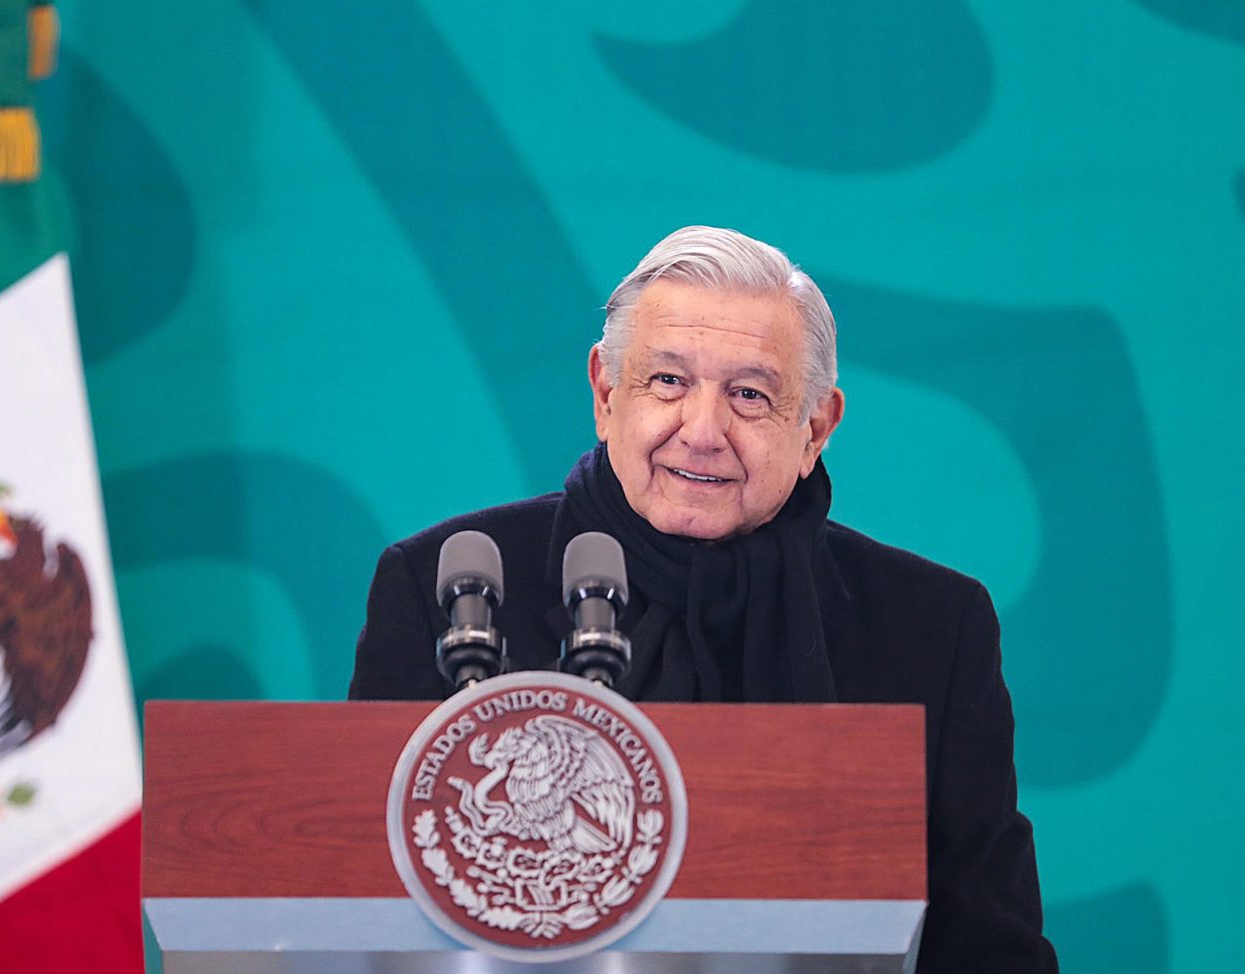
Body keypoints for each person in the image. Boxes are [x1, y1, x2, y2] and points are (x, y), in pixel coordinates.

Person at [349, 225, 1057, 971]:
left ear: (816, 427)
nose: (703, 431)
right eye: (668, 382)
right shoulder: (445, 591)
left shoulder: (931, 626)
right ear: (605, 392)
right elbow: (352, 912)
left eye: (749, 395)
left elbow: (989, 949)